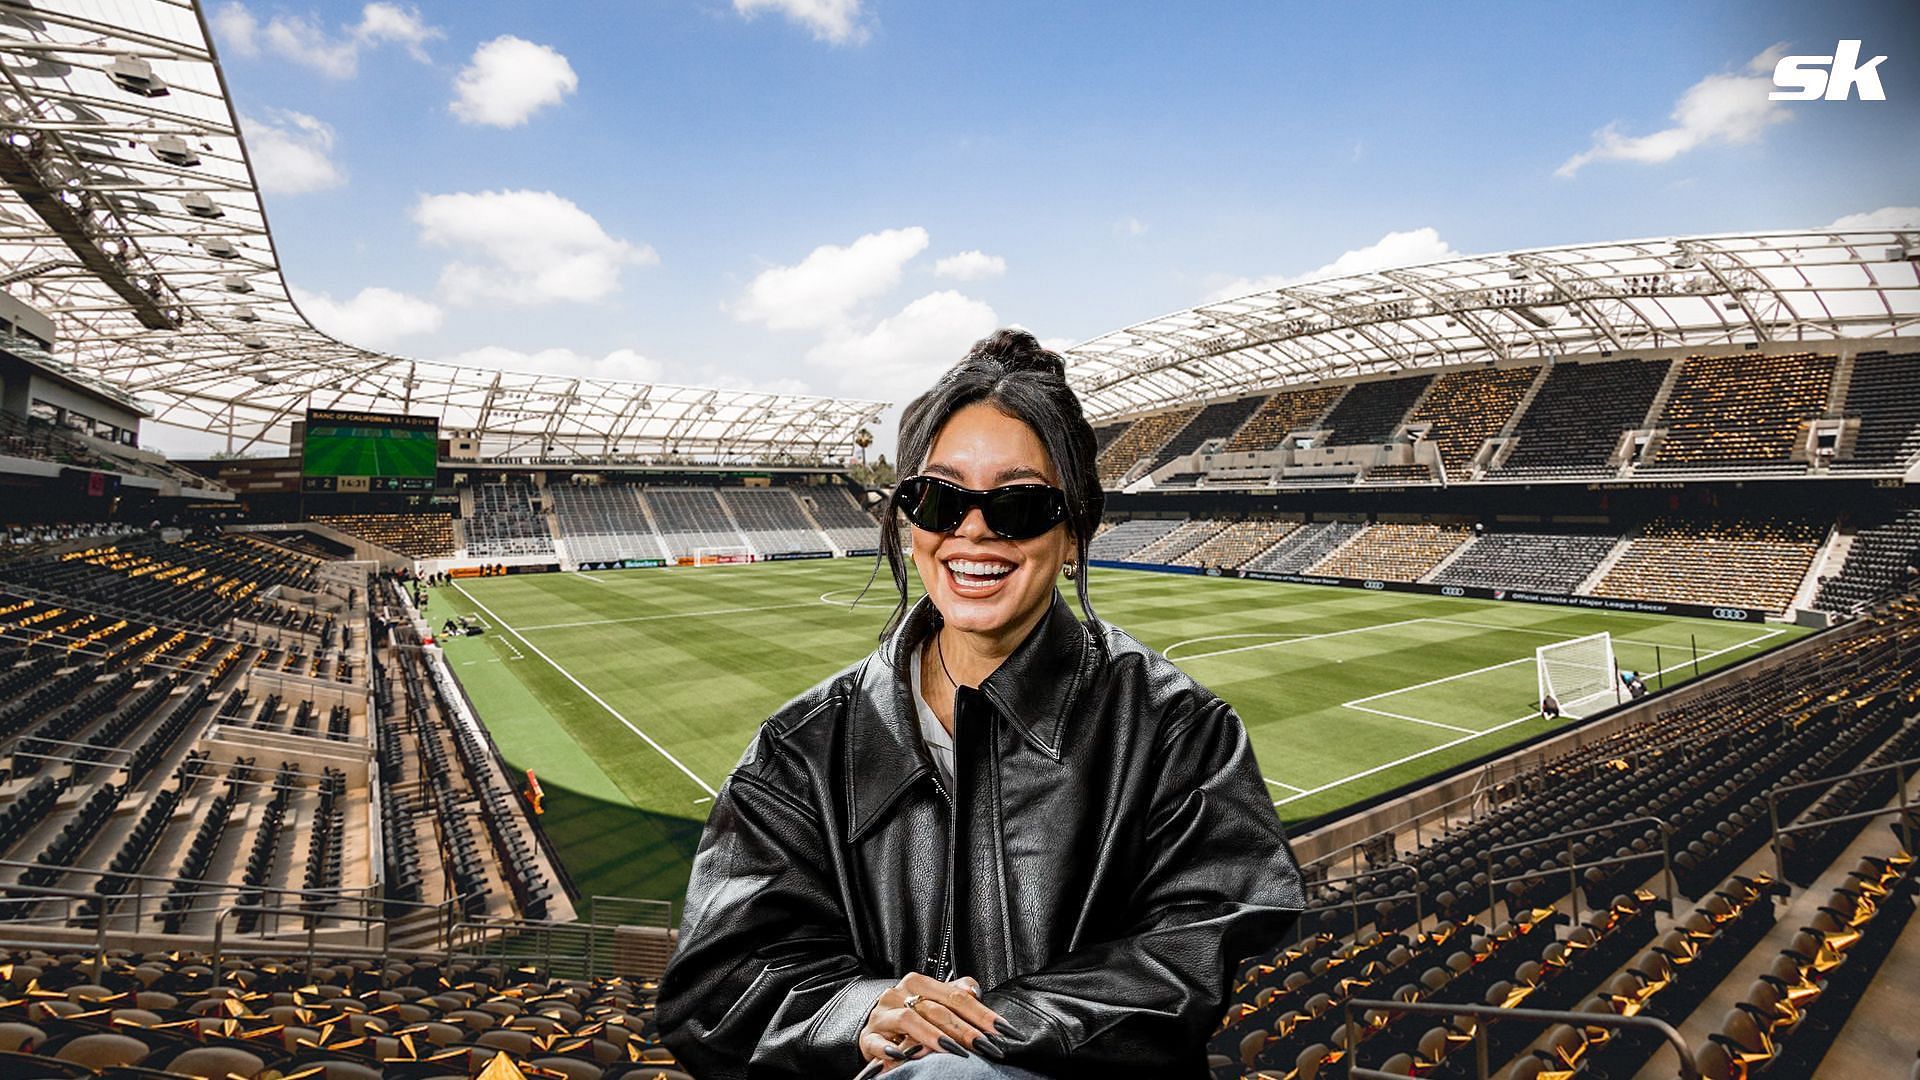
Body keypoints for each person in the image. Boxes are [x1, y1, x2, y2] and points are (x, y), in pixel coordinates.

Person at [657, 331, 1304, 1079]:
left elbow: (1199, 939)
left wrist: (977, 1038)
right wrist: (860, 1013)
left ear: (1075, 531)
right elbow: (714, 991)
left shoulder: (1174, 728)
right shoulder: (800, 749)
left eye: (1020, 505)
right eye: (938, 498)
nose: (972, 529)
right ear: (908, 520)